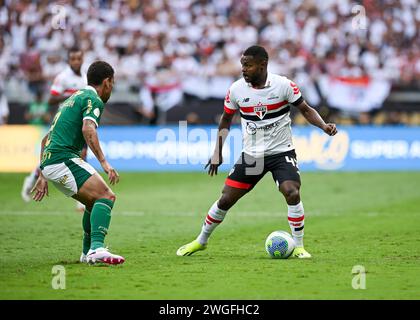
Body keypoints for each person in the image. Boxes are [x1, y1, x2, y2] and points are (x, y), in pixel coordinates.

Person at [177, 45, 337, 259]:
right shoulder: (236, 90)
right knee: (225, 200)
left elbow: (306, 109)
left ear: (263, 65)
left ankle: (298, 246)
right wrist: (218, 152)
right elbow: (226, 119)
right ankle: (201, 241)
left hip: (281, 153)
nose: (243, 69)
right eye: (242, 65)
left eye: (248, 65)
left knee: (292, 191)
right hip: (252, 156)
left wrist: (324, 126)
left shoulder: (283, 85)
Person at [30, 61, 124, 265]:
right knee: (107, 196)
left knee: (93, 201)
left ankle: (86, 253)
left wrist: (42, 174)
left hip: (52, 161)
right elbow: (88, 129)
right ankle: (97, 249)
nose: (112, 88)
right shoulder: (93, 99)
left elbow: (45, 140)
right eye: (113, 83)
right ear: (107, 82)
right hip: (63, 158)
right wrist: (105, 163)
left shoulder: (73, 98)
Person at [21, 47, 88, 212]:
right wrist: (73, 95)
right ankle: (32, 178)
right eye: (73, 59)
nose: (76, 62)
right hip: (64, 123)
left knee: (82, 157)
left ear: (82, 59)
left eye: (78, 59)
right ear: (68, 60)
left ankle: (81, 199)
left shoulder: (85, 77)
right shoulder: (63, 77)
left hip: (79, 124)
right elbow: (51, 99)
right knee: (52, 157)